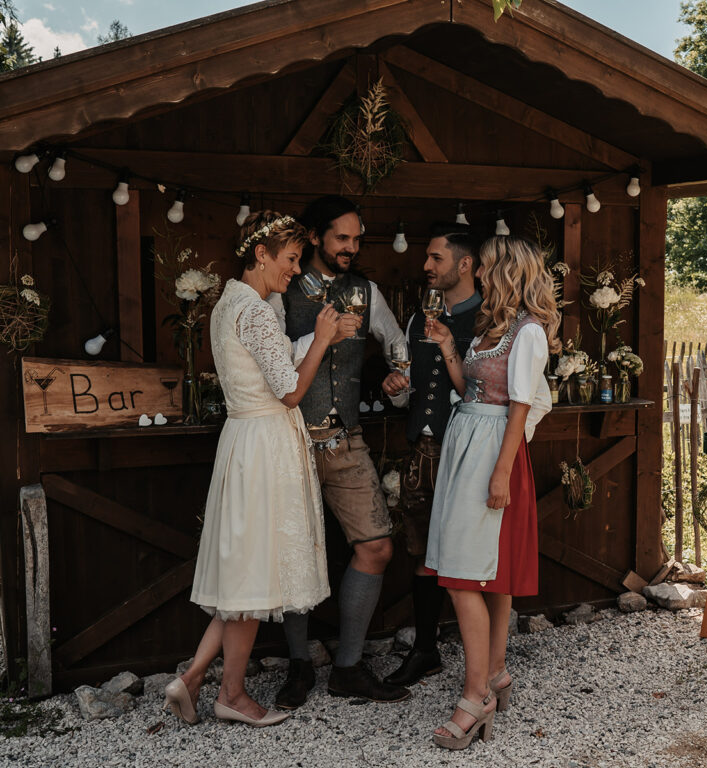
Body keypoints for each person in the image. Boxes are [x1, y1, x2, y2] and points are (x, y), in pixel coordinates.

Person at [163, 211, 340, 727]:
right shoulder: (257, 313)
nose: (294, 270)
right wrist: (323, 338)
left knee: (245, 569)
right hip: (265, 444)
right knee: (253, 577)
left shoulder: (228, 305)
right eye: (289, 260)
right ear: (261, 254)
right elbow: (290, 391)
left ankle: (194, 678)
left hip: (243, 438)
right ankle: (232, 695)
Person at [270, 195, 411, 708]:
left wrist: (400, 378)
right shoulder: (280, 292)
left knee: (376, 547)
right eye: (341, 239)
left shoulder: (365, 290)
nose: (352, 248)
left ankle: (348, 667)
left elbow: (397, 343)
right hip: (290, 442)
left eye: (357, 239)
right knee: (295, 557)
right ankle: (299, 664)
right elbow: (267, 364)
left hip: (346, 440)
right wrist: (320, 337)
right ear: (314, 237)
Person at [423, 236, 561, 750]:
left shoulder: (527, 332)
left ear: (504, 272)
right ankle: (497, 674)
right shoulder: (491, 327)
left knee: (463, 575)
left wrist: (501, 474)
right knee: (489, 574)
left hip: (492, 454)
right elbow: (469, 391)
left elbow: (521, 406)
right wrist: (446, 347)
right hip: (468, 442)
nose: (477, 276)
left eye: (483, 269)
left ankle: (475, 695)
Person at [380, 224, 482, 687]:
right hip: (422, 448)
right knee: (421, 549)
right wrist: (397, 391)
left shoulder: (490, 319)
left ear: (464, 264)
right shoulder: (416, 319)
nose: (426, 266)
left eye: (435, 258)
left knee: (466, 552)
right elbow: (409, 384)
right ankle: (426, 650)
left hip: (465, 451)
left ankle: (486, 661)